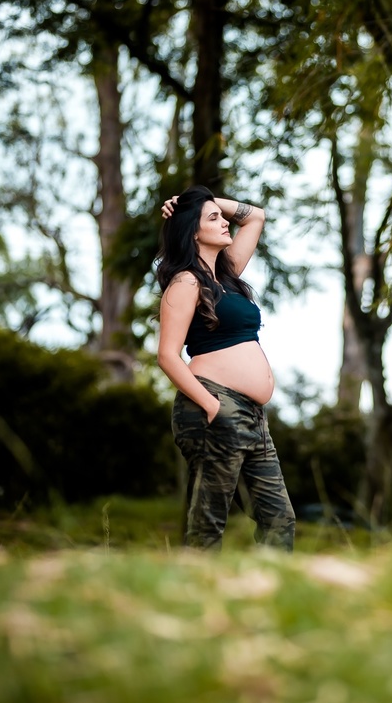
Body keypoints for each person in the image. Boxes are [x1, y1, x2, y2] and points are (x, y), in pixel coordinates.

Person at [155, 186, 295, 551]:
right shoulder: (186, 281)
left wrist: (208, 202)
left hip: (252, 415)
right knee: (209, 521)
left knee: (279, 519)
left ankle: (268, 597)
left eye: (220, 215)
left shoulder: (227, 275)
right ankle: (195, 599)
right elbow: (168, 355)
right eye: (212, 218)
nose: (223, 221)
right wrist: (212, 406)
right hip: (215, 405)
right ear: (192, 231)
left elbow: (255, 215)